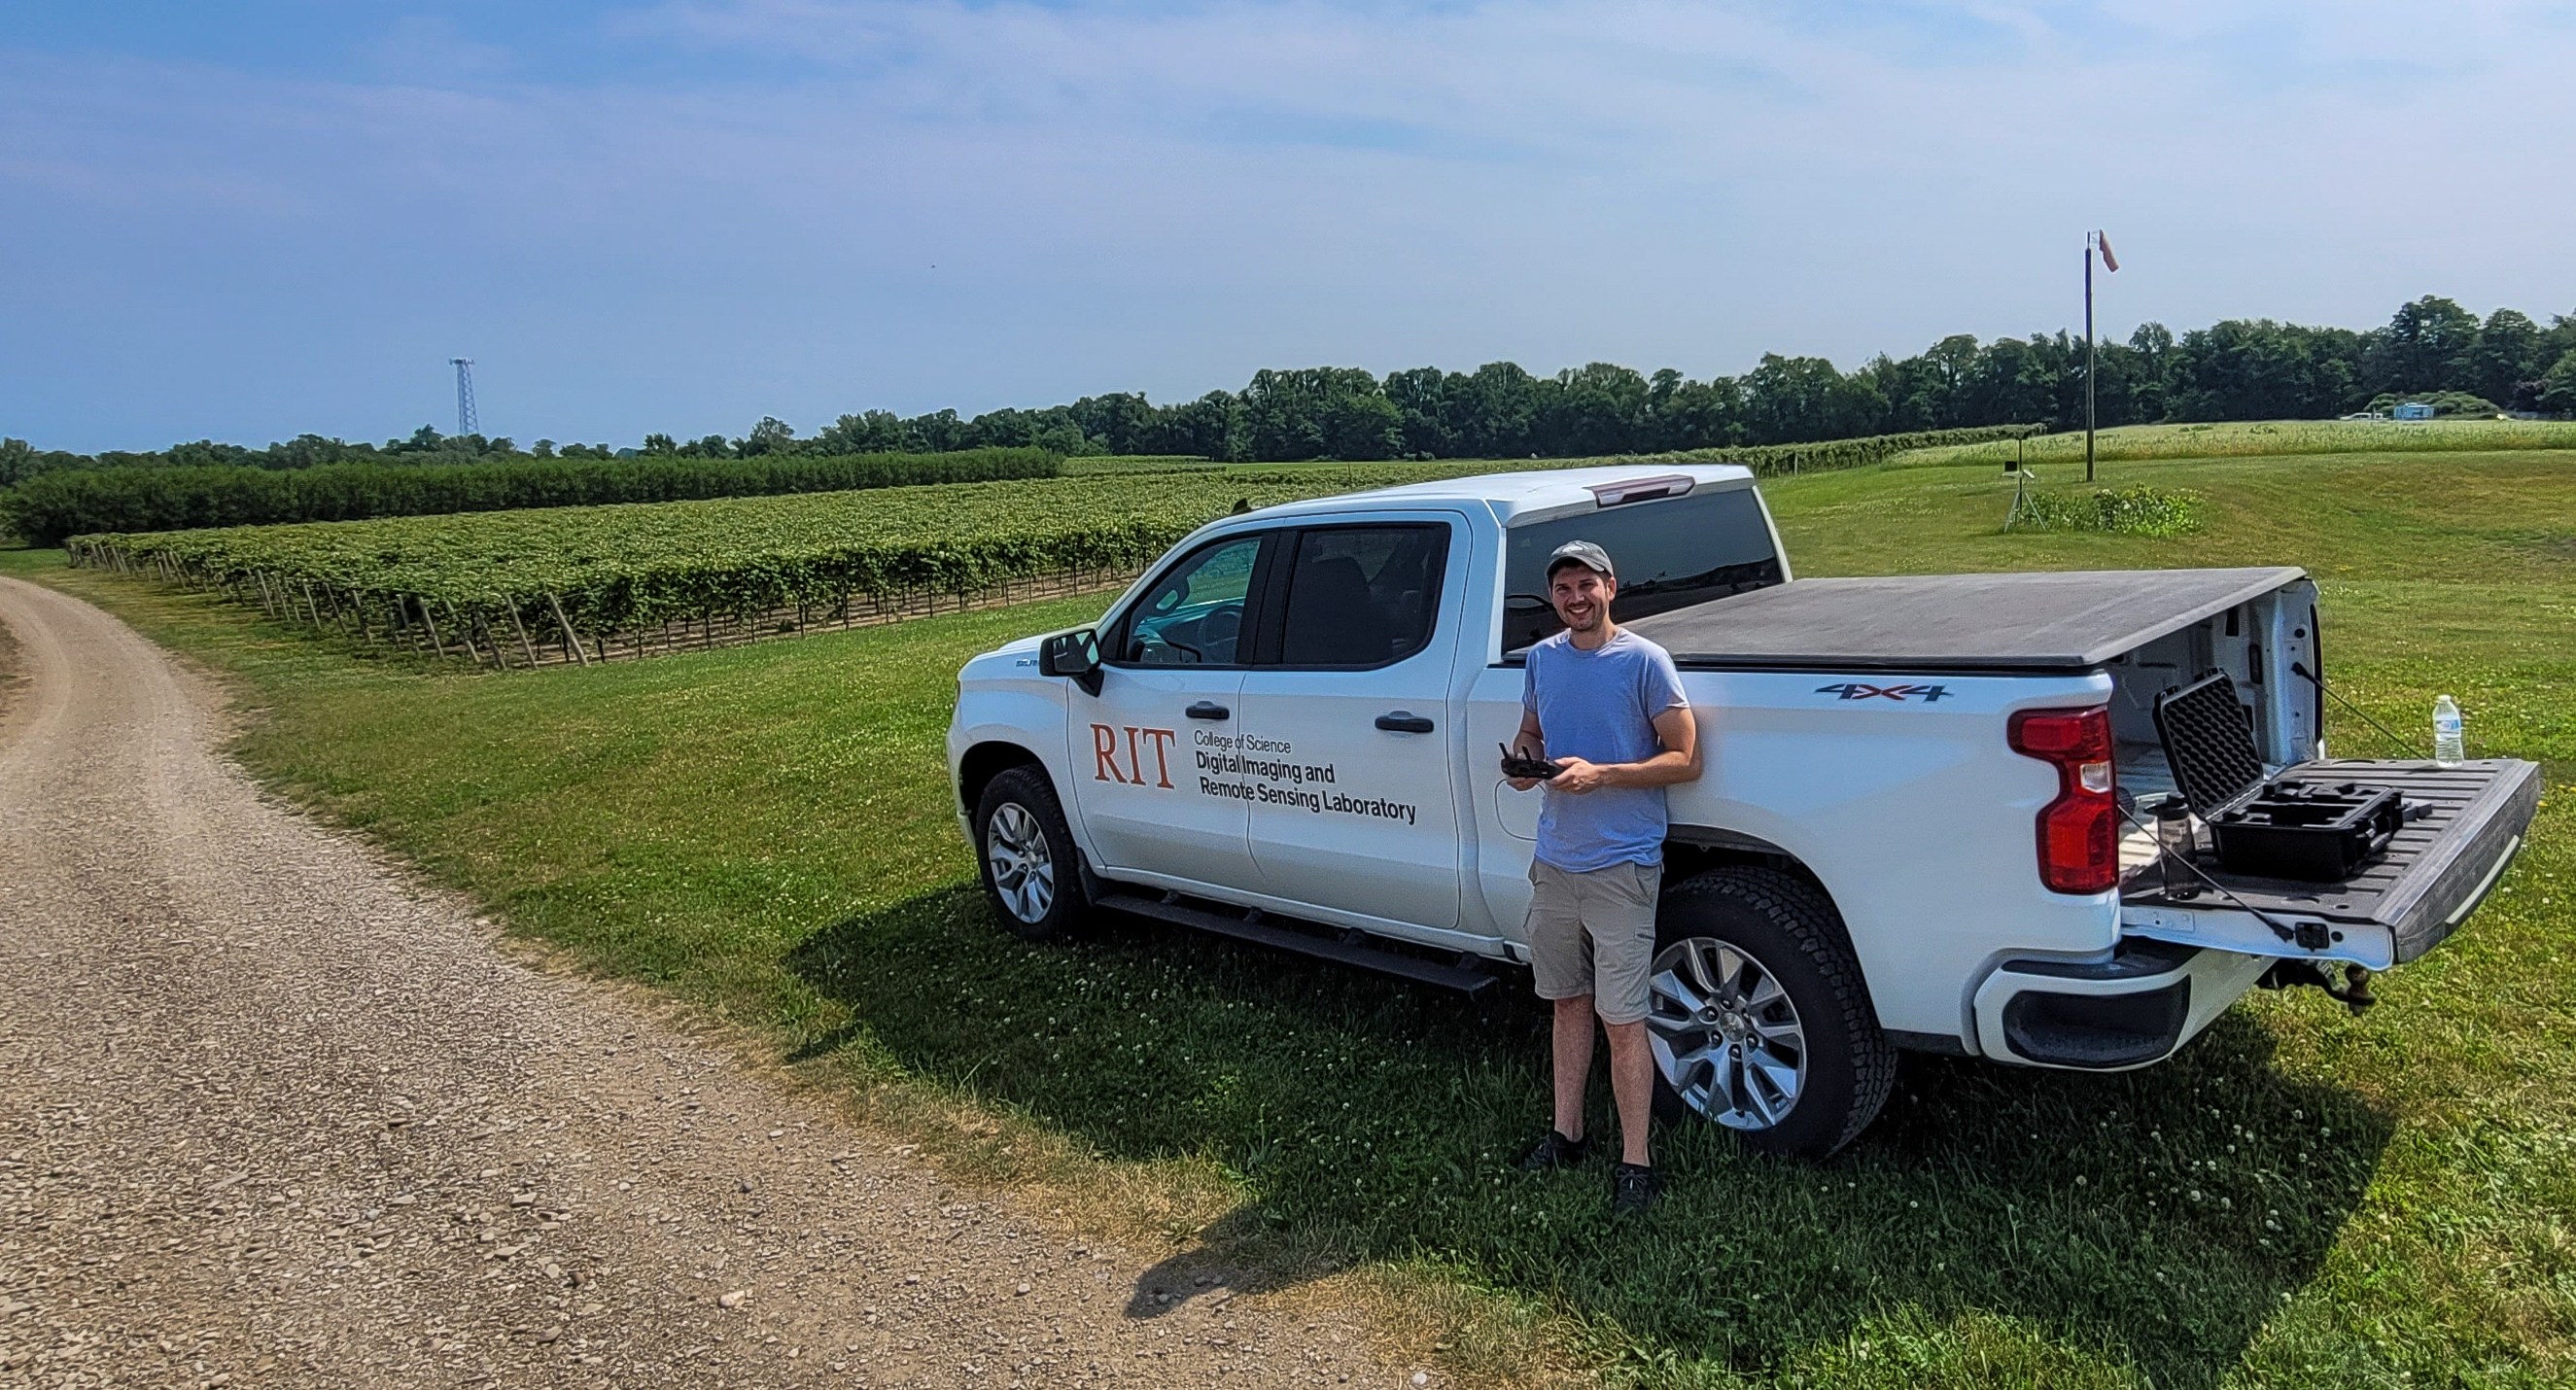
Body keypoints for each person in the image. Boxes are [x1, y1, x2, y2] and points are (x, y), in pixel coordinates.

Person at [1505, 539, 1702, 1212]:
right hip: (1556, 860)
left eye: (1586, 585)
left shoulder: (1645, 661)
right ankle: (1567, 1134)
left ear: (1611, 587)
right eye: (1564, 589)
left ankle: (1636, 1162)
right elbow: (1532, 730)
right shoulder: (1542, 659)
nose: (1575, 598)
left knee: (1624, 1020)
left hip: (1623, 865)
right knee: (1566, 1002)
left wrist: (1605, 774)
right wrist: (1524, 762)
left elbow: (1684, 758)